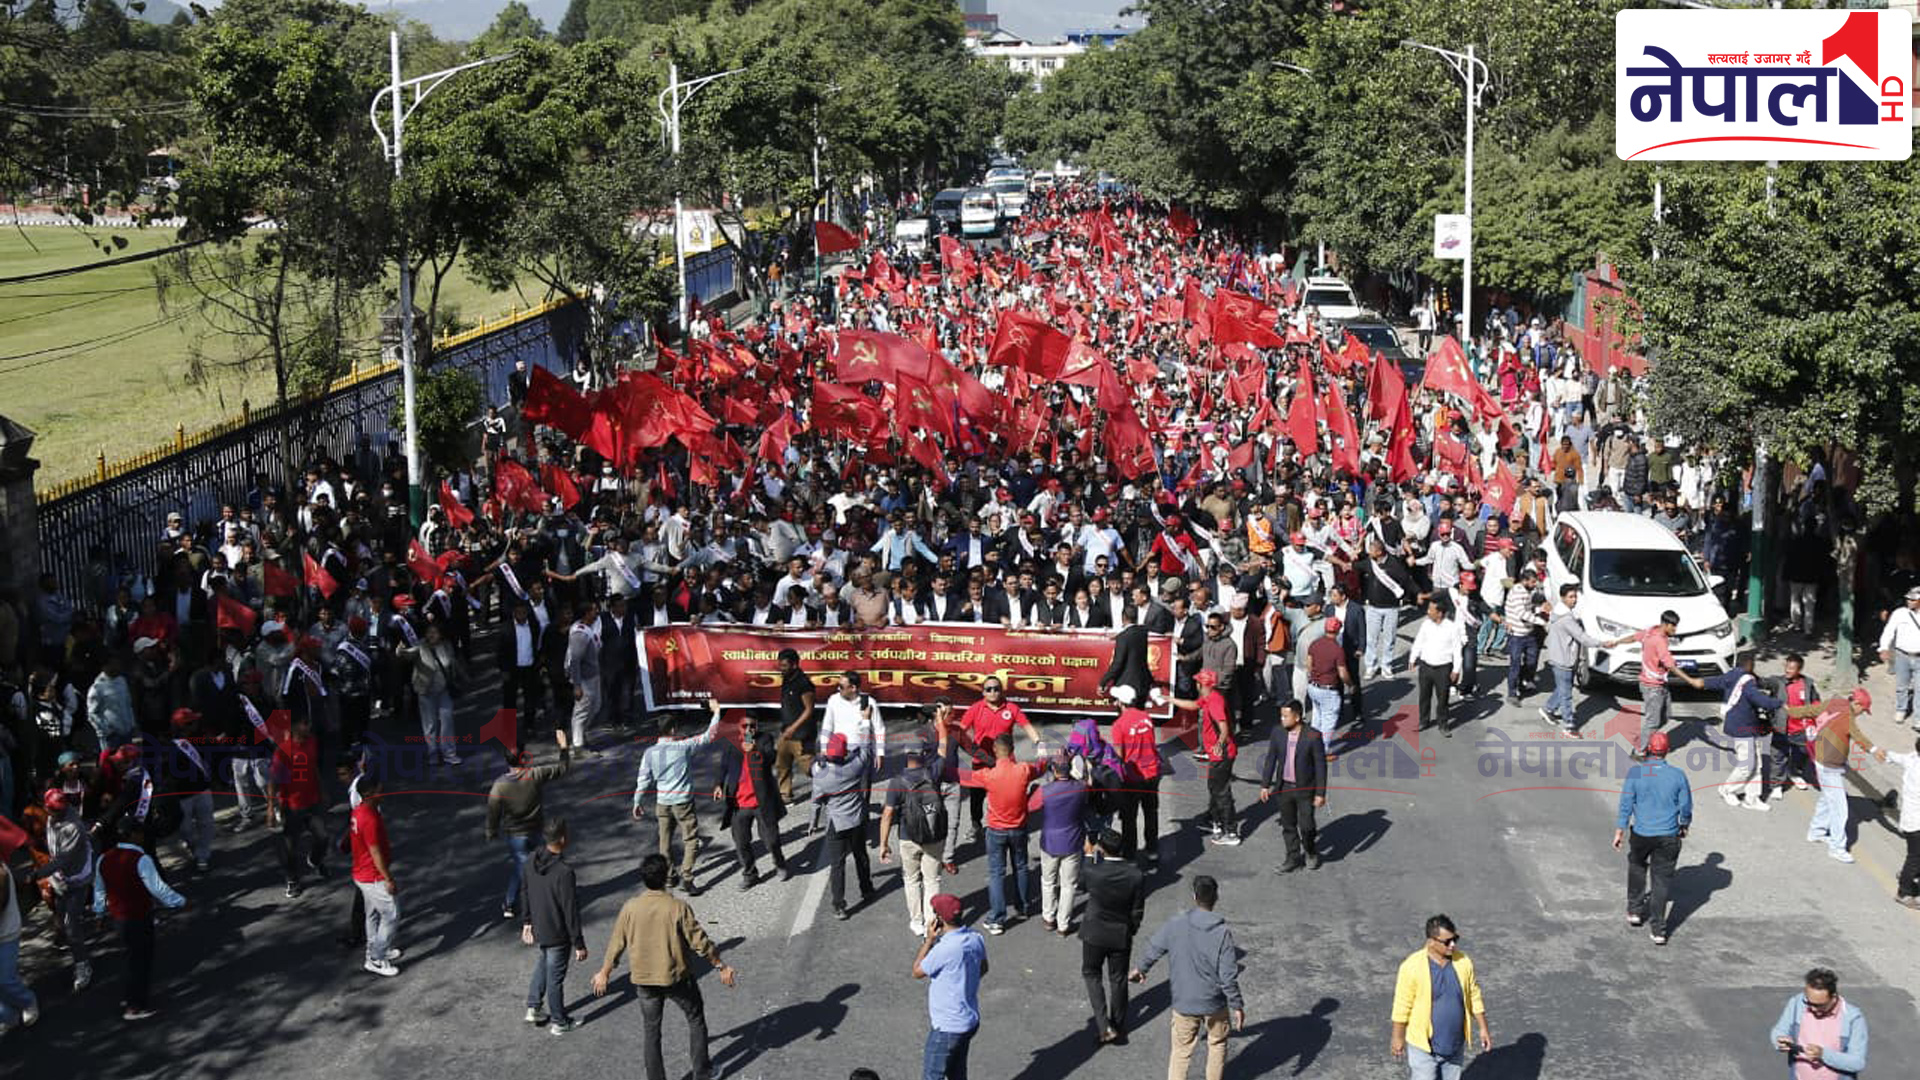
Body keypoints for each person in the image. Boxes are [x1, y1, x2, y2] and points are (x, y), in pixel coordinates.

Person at [591, 854, 738, 1080]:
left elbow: (616, 943)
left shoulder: (630, 907)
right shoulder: (678, 907)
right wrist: (721, 966)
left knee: (652, 1032)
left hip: (643, 981)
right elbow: (700, 942)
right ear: (665, 878)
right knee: (695, 1018)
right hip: (675, 978)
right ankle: (702, 1072)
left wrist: (605, 972)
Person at [1130, 875, 1244, 1080]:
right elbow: (1228, 976)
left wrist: (1141, 968)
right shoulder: (1222, 933)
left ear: (1194, 896)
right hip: (1214, 1003)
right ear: (1216, 897)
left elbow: (1154, 948)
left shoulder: (1176, 924)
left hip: (1183, 1002)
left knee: (1181, 1052)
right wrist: (1237, 1005)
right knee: (1217, 1044)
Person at [92, 818, 187, 1021]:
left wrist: (99, 913)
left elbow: (99, 889)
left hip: (119, 919)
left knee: (130, 958)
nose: (143, 837)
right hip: (139, 917)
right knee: (141, 961)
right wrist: (178, 901)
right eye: (140, 833)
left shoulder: (103, 859)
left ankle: (129, 998)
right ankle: (135, 1005)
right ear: (134, 835)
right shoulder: (140, 859)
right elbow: (157, 888)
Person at [633, 701, 725, 893]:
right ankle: (687, 876)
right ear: (673, 729)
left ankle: (668, 877)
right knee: (690, 839)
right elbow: (709, 736)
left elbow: (643, 778)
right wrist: (716, 712)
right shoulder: (683, 747)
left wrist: (637, 801)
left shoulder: (649, 753)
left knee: (664, 841)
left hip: (662, 802)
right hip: (683, 802)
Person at [1782, 688, 1879, 863]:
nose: (1861, 714)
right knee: (1840, 808)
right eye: (1862, 710)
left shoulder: (1833, 703)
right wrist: (1875, 750)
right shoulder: (1848, 716)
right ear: (1856, 703)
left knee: (1827, 799)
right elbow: (1859, 737)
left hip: (1820, 758)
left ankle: (1816, 831)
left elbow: (1809, 710)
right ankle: (1837, 847)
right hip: (1830, 764)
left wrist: (1790, 709)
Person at [1389, 914, 1491, 1080]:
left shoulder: (1463, 962)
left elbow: (1474, 995)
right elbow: (1402, 1006)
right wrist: (1397, 1037)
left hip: (1454, 1044)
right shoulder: (1411, 967)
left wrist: (1483, 1028)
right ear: (1431, 941)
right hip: (1423, 1047)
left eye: (1455, 939)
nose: (1452, 945)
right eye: (1447, 941)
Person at [1612, 731, 1691, 945]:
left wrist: (1620, 829)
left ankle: (1635, 911)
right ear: (1667, 750)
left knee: (1637, 866)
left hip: (1642, 833)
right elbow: (1685, 807)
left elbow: (1626, 804)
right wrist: (1684, 825)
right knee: (1661, 881)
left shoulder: (1636, 773)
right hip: (1668, 835)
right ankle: (1658, 930)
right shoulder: (1677, 775)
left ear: (1648, 749)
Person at [487, 728, 573, 919]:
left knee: (522, 867)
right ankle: (540, 900)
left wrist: (491, 831)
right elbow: (562, 768)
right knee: (540, 864)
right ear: (523, 758)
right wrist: (564, 747)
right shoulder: (535, 775)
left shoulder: (499, 785)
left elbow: (493, 810)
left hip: (515, 835)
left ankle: (510, 904)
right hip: (536, 829)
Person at [1079, 829, 1146, 1045]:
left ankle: (1103, 1024)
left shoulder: (1093, 870)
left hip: (1094, 931)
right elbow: (1137, 910)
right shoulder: (1135, 874)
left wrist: (1089, 855)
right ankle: (1118, 1024)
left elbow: (1081, 882)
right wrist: (1131, 929)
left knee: (1091, 974)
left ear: (1101, 848)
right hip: (1120, 933)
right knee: (1118, 979)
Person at [712, 703, 791, 889]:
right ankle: (750, 874)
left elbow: (771, 757)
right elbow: (723, 766)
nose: (749, 729)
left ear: (757, 726)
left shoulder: (764, 739)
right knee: (741, 843)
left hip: (761, 802)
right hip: (740, 804)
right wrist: (718, 784)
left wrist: (754, 750)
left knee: (771, 840)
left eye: (752, 726)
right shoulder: (732, 743)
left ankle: (779, 863)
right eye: (745, 726)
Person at [521, 817, 588, 1034]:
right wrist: (578, 943)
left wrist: (527, 922)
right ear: (562, 838)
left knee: (544, 962)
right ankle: (559, 1021)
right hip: (558, 932)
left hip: (540, 926)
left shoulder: (532, 859)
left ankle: (533, 1006)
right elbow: (570, 910)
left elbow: (525, 892)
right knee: (555, 978)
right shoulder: (564, 872)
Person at [913, 892, 988, 1080]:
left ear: (939, 919)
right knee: (957, 1072)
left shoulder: (944, 948)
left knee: (932, 1076)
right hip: (969, 1020)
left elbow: (917, 971)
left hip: (948, 1027)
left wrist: (929, 940)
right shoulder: (975, 937)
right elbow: (983, 967)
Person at [880, 735, 948, 934]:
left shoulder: (897, 781)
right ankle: (931, 922)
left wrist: (884, 844)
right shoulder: (933, 773)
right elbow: (943, 749)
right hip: (934, 835)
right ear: (925, 754)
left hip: (907, 837)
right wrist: (940, 721)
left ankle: (916, 922)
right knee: (932, 880)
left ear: (905, 755)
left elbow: (887, 814)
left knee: (911, 879)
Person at [979, 732, 1044, 934]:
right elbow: (1041, 767)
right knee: (1021, 867)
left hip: (996, 829)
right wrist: (1042, 751)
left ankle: (997, 918)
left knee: (997, 873)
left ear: (995, 750)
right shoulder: (1023, 770)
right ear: (1013, 751)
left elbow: (962, 777)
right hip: (1018, 828)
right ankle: (1022, 908)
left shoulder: (988, 775)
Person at [1541, 584, 1627, 734]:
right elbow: (1582, 638)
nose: (1574, 600)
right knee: (1566, 694)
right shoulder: (1567, 618)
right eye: (1571, 597)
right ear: (1562, 598)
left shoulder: (1558, 611)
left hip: (1558, 657)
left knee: (1562, 688)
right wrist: (1602, 644)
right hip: (1563, 659)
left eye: (1575, 596)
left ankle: (1548, 709)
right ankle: (1568, 725)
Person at [1703, 656, 1783, 811]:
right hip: (1743, 730)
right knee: (1747, 766)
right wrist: (1779, 703)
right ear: (1749, 665)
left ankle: (1751, 798)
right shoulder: (1748, 683)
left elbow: (1715, 682)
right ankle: (1727, 790)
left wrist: (1698, 681)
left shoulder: (1732, 676)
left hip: (1746, 727)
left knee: (1757, 764)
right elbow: (1762, 701)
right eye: (1752, 664)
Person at [812, 732, 877, 919]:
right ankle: (867, 889)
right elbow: (865, 749)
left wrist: (813, 822)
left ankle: (839, 905)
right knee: (860, 856)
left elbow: (816, 801)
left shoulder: (821, 773)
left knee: (837, 865)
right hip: (857, 820)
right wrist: (865, 723)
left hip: (837, 824)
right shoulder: (855, 767)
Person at [1259, 699, 1328, 872]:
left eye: (1285, 716)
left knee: (1307, 826)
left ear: (1297, 717)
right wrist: (1265, 785)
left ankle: (1310, 851)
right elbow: (1271, 759)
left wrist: (1320, 793)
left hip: (1305, 789)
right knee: (1288, 825)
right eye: (1281, 716)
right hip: (1284, 788)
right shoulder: (1277, 733)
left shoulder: (1313, 735)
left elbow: (1321, 766)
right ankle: (1293, 857)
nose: (1282, 719)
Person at [1173, 670, 1238, 844]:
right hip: (1218, 753)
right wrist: (1170, 700)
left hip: (1221, 754)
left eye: (1198, 682)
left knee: (1221, 792)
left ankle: (1230, 831)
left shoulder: (1215, 702)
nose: (1196, 685)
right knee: (1214, 787)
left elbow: (1223, 727)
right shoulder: (1209, 697)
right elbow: (1193, 705)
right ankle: (1214, 820)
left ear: (1203, 685)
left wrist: (1218, 745)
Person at [1632, 610, 1706, 758]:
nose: (1675, 629)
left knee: (1665, 716)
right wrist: (1691, 681)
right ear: (1665, 624)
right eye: (1673, 626)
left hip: (1660, 684)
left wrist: (1616, 642)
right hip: (1653, 686)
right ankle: (1639, 750)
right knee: (1653, 721)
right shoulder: (1659, 640)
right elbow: (1670, 665)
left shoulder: (1651, 631)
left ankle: (1647, 737)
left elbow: (1634, 637)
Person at [1769, 967, 1869, 1077]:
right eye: (1808, 1002)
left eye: (1819, 1005)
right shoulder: (1797, 1003)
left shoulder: (1853, 1018)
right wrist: (1779, 1039)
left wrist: (1823, 1054)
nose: (1813, 1009)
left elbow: (1857, 1063)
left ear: (1833, 997)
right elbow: (1779, 1030)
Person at [350, 774, 401, 977]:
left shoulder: (361, 810)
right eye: (380, 789)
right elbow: (375, 852)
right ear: (370, 794)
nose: (384, 792)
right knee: (392, 914)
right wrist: (388, 878)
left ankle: (376, 949)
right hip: (372, 876)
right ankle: (377, 957)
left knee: (372, 914)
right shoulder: (369, 818)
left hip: (362, 873)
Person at [1034, 752, 1088, 933]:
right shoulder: (1081, 788)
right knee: (1069, 884)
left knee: (1048, 881)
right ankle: (1063, 924)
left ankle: (1049, 917)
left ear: (1054, 770)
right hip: (1072, 841)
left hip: (1049, 841)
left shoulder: (1045, 791)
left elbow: (1029, 807)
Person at [1111, 686, 1163, 863]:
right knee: (1150, 812)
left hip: (1133, 776)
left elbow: (1119, 756)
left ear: (1120, 703)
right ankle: (1152, 849)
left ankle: (1130, 854)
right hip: (1152, 773)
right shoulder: (1146, 717)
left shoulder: (1119, 725)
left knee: (1129, 817)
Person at [1408, 598, 1467, 737]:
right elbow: (1419, 642)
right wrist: (1412, 658)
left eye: (1431, 610)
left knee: (1443, 698)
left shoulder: (1452, 628)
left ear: (1440, 613)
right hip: (1426, 666)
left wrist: (1456, 670)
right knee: (1424, 696)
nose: (1428, 612)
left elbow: (1457, 651)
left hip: (1443, 668)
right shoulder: (1426, 625)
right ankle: (1423, 721)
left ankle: (1443, 724)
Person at [773, 648, 818, 802]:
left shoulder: (804, 683)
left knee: (809, 767)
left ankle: (831, 787)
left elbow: (809, 709)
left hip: (801, 734)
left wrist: (794, 728)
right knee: (781, 763)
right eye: (780, 665)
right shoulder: (786, 678)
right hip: (786, 731)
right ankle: (785, 794)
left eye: (784, 666)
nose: (781, 668)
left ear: (794, 665)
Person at [1877, 585, 1920, 730]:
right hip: (1902, 655)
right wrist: (1883, 648)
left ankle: (1918, 718)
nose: (1909, 601)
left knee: (1919, 688)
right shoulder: (1900, 613)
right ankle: (1901, 709)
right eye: (1908, 598)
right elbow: (1888, 631)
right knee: (1902, 686)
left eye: (1913, 599)